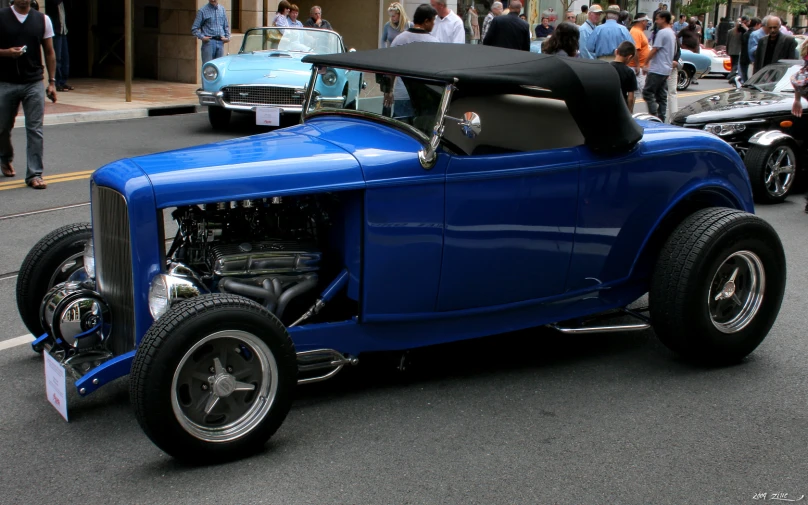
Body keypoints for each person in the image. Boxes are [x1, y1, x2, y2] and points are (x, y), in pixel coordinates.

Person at [0, 0, 56, 189]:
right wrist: (7, 53)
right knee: (2, 127)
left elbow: (49, 51)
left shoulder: (43, 19)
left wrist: (52, 82)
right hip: (6, 82)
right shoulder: (2, 16)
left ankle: (35, 174)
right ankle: (5, 157)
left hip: (33, 82)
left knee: (35, 129)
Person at [388, 3, 438, 121]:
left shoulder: (399, 40)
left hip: (402, 95)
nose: (434, 24)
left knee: (402, 133)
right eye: (433, 21)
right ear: (426, 21)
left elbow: (390, 68)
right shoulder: (434, 43)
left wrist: (389, 90)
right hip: (424, 96)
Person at [643, 10, 675, 122]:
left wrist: (646, 62)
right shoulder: (671, 32)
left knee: (647, 92)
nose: (656, 21)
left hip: (658, 68)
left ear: (664, 19)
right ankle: (662, 117)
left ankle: (654, 116)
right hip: (666, 68)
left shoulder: (662, 33)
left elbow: (655, 49)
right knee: (661, 96)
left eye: (658, 19)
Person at [191, 0, 230, 64]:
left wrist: (227, 38)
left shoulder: (222, 9)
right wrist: (202, 37)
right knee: (208, 67)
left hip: (220, 42)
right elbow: (194, 29)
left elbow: (226, 26)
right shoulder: (202, 11)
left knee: (219, 67)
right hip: (209, 43)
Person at [44, 0, 70, 91]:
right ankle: (57, 82)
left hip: (63, 31)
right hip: (56, 31)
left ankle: (63, 81)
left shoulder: (63, 3)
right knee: (57, 57)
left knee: (64, 57)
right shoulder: (53, 2)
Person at [612, 41, 638, 112]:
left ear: (616, 52)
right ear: (629, 57)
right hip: (621, 108)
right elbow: (630, 97)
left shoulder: (606, 67)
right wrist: (629, 111)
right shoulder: (629, 72)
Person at [629, 14, 651, 94]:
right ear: (642, 21)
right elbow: (635, 49)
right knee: (644, 93)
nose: (647, 23)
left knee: (636, 93)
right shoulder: (636, 32)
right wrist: (638, 65)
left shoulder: (639, 32)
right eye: (646, 21)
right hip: (637, 67)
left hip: (640, 66)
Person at [738, 17, 760, 84]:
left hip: (744, 58)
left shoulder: (746, 33)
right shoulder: (754, 34)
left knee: (745, 79)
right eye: (760, 25)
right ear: (757, 24)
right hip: (750, 60)